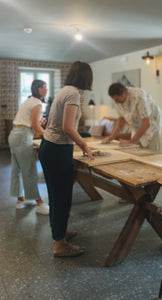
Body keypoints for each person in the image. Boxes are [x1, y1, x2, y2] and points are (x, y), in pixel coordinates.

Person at [39, 61, 94, 257]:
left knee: (57, 196)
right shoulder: (73, 94)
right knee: (61, 197)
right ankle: (60, 245)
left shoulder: (64, 90)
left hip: (50, 147)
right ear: (86, 76)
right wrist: (84, 145)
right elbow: (68, 128)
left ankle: (59, 234)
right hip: (57, 149)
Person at [8, 80, 50, 215]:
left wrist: (39, 124)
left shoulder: (29, 100)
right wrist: (47, 134)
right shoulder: (37, 103)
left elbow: (31, 123)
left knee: (17, 168)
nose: (46, 90)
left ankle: (20, 200)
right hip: (22, 136)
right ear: (37, 89)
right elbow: (35, 127)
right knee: (30, 170)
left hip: (14, 134)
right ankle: (39, 203)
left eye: (46, 87)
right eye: (43, 88)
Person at [104, 83, 162, 151]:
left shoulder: (138, 97)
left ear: (124, 93)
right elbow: (121, 121)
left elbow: (146, 123)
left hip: (152, 123)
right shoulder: (117, 101)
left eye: (117, 99)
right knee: (134, 150)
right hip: (137, 124)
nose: (115, 102)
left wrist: (131, 141)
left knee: (151, 153)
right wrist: (111, 137)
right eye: (113, 99)